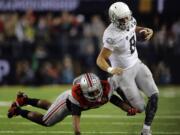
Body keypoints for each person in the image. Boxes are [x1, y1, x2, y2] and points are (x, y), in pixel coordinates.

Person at [96, 2, 159, 135]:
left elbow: (133, 28)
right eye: (122, 19)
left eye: (127, 17)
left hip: (136, 63)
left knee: (154, 95)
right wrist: (110, 70)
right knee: (140, 108)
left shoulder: (130, 20)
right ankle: (115, 83)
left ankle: (146, 131)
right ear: (113, 19)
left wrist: (147, 30)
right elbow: (100, 59)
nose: (125, 21)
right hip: (123, 73)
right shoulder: (111, 35)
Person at [7, 73, 138, 135]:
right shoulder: (78, 97)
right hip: (66, 103)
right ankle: (18, 111)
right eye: (90, 93)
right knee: (46, 121)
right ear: (83, 90)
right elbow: (76, 127)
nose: (94, 95)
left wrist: (129, 109)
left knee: (50, 107)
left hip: (71, 103)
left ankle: (25, 100)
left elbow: (118, 101)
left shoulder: (107, 89)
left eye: (96, 91)